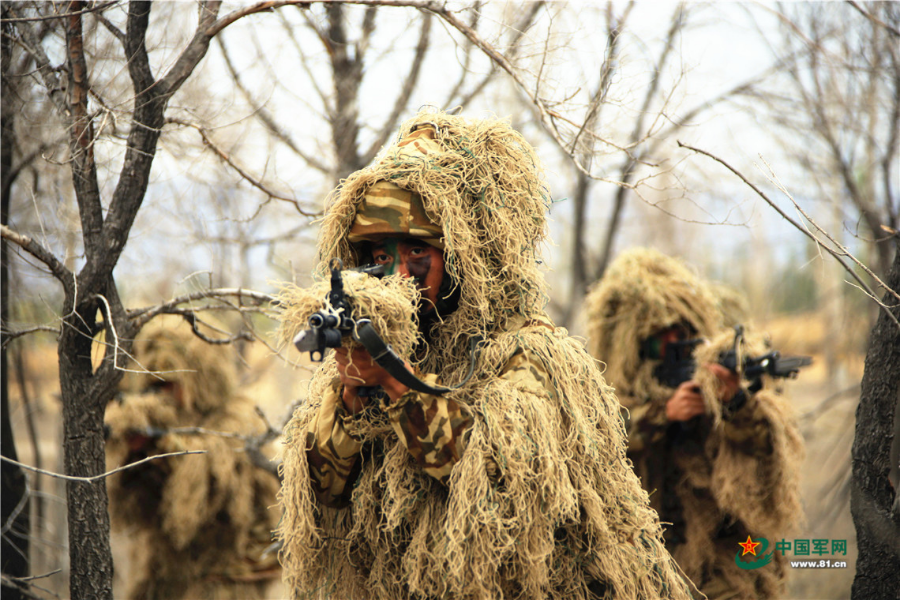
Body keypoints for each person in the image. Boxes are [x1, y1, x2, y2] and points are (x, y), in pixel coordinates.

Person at [276, 110, 693, 600]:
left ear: (463, 257)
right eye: (379, 256)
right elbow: (321, 492)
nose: (396, 275)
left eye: (417, 254)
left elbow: (497, 491)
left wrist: (399, 385)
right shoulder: (362, 361)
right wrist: (349, 397)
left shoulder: (531, 354)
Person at [584, 247, 804, 600]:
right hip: (641, 560)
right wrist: (663, 414)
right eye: (659, 339)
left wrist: (732, 403)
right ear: (633, 345)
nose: (674, 343)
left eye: (680, 333)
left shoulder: (715, 381)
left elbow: (760, 455)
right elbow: (599, 440)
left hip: (720, 557)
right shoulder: (603, 397)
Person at [104, 316, 281, 600]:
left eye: (171, 383)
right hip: (170, 570)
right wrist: (132, 448)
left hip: (229, 572)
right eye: (156, 385)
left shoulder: (238, 416)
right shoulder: (164, 418)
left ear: (200, 378)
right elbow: (133, 504)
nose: (164, 395)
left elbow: (209, 470)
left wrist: (161, 443)